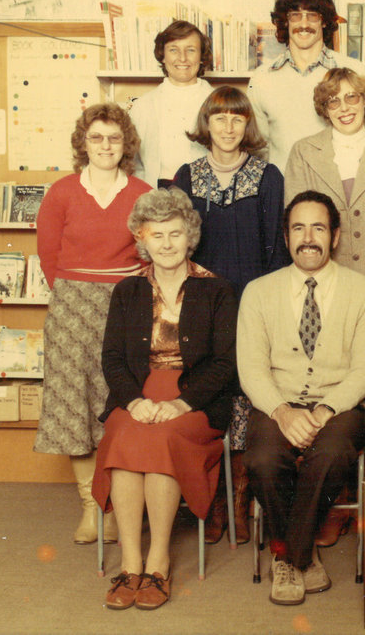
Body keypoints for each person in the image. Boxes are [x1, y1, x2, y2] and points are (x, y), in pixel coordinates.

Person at [237, 190, 365, 606]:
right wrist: (282, 412)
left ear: (335, 236)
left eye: (318, 228)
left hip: (339, 405)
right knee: (263, 459)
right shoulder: (257, 292)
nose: (308, 238)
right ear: (286, 237)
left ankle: (288, 555)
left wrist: (324, 410)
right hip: (276, 402)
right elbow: (251, 369)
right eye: (298, 229)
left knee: (332, 453)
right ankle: (305, 555)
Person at [94, 187, 237, 610]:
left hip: (195, 400)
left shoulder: (217, 290)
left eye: (175, 233)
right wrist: (134, 402)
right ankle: (130, 563)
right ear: (143, 238)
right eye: (157, 235)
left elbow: (225, 363)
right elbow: (112, 358)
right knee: (124, 436)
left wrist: (181, 404)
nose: (168, 244)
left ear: (190, 235)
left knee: (163, 439)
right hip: (137, 394)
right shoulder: (127, 290)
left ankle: (158, 562)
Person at [283, 65, 365, 496]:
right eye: (333, 100)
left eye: (352, 97)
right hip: (322, 289)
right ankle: (333, 487)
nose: (344, 107)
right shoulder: (304, 152)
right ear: (323, 108)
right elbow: (300, 225)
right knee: (328, 378)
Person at [171, 85, 290, 545]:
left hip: (251, 302)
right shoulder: (187, 176)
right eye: (219, 118)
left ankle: (241, 496)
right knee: (208, 391)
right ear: (207, 124)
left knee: (246, 393)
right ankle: (213, 499)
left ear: (247, 125)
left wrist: (267, 307)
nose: (227, 127)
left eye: (236, 119)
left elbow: (276, 250)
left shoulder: (267, 176)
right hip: (202, 305)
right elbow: (178, 247)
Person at [34, 103, 153, 546]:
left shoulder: (142, 193)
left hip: (124, 304)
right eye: (97, 138)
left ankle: (117, 503)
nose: (106, 146)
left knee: (117, 400)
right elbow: (49, 255)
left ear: (127, 145)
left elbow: (150, 253)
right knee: (73, 403)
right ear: (83, 143)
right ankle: (90, 504)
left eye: (114, 138)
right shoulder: (62, 191)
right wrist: (75, 294)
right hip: (71, 307)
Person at [248, 0, 365, 171]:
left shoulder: (355, 71)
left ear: (324, 21)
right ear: (285, 21)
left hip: (342, 186)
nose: (304, 24)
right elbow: (258, 149)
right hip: (284, 187)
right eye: (295, 15)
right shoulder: (261, 79)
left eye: (312, 16)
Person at [129, 20, 214, 187]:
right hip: (156, 192)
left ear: (201, 56)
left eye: (191, 50)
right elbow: (133, 163)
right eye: (173, 50)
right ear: (163, 56)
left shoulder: (219, 103)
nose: (182, 58)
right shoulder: (143, 106)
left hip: (206, 193)